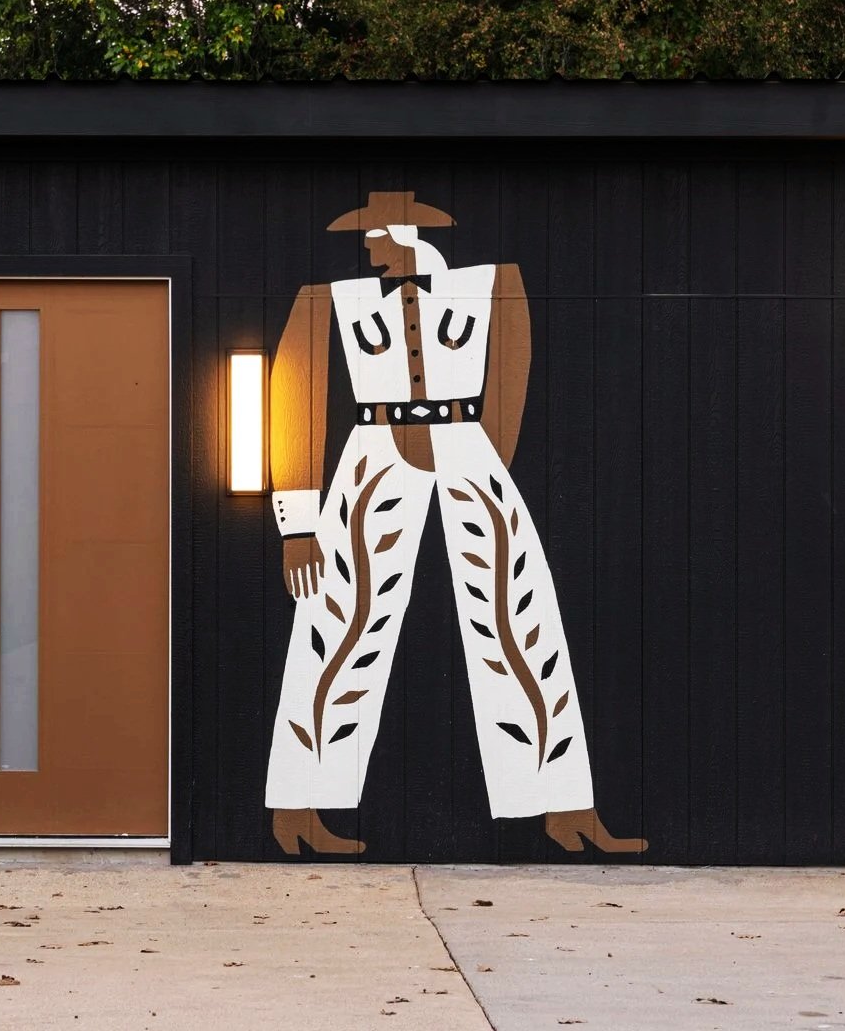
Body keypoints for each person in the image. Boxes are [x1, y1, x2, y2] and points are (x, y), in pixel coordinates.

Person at [263, 192, 643, 856]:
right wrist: (298, 521)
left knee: (518, 611)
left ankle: (562, 804)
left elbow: (511, 370)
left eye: (377, 237)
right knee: (339, 615)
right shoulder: (329, 298)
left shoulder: (493, 286)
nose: (370, 250)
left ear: (403, 233)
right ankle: (297, 808)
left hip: (467, 443)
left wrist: (479, 453)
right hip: (374, 448)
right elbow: (293, 390)